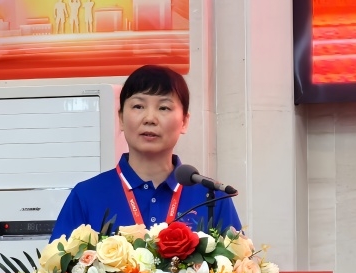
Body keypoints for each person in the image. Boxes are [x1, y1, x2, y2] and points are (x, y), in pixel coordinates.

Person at [50, 65, 242, 241]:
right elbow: (58, 267)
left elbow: (238, 266)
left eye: (164, 107)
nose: (150, 118)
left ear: (184, 121)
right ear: (121, 118)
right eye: (138, 106)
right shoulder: (87, 196)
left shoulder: (212, 198)